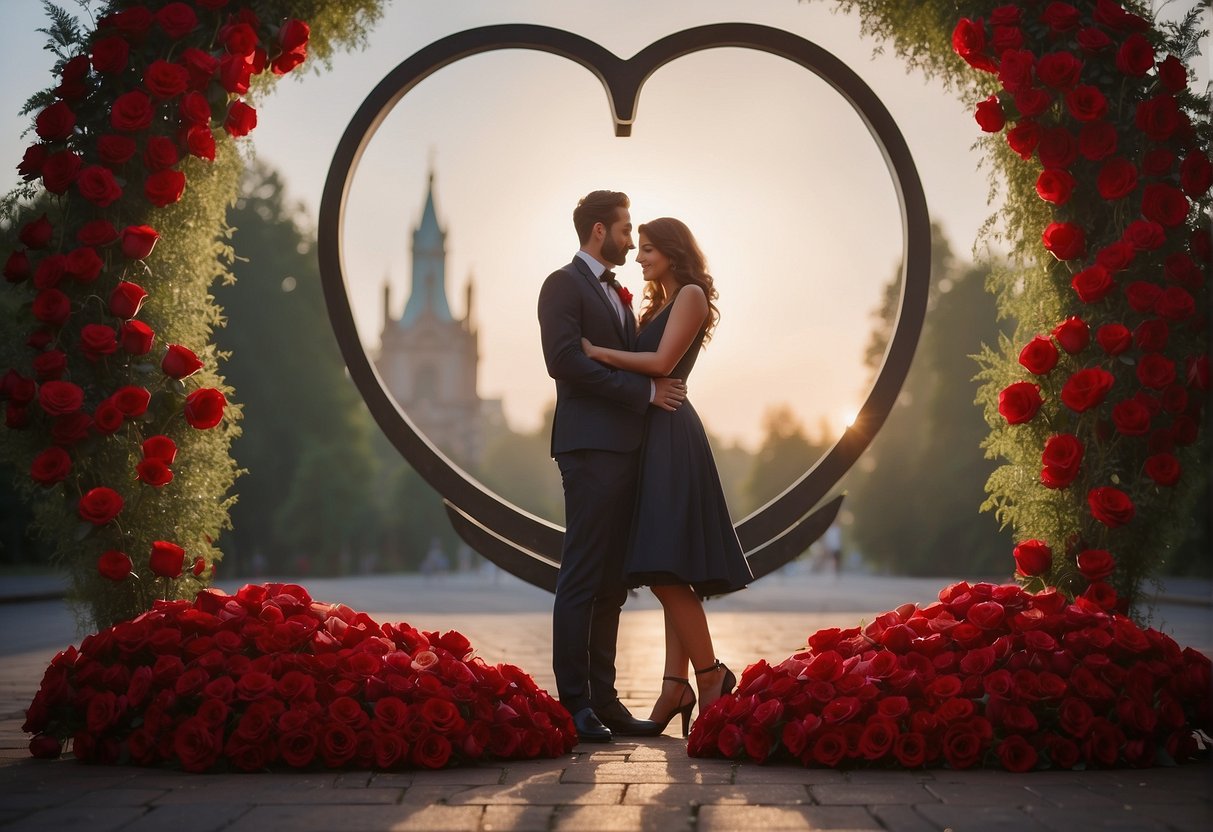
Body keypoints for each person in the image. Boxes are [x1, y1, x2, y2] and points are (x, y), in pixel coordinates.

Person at [582, 217, 752, 737]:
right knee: (669, 566)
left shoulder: (693, 296)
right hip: (651, 434)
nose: (640, 256)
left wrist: (596, 352)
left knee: (662, 568)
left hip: (673, 436)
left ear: (674, 252)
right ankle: (674, 685)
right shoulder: (658, 303)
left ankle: (709, 675)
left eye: (650, 249)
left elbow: (660, 361)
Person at [537, 191, 688, 743]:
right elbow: (564, 362)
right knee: (581, 574)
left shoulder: (618, 294)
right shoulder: (562, 284)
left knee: (611, 583)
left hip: (626, 452)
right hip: (590, 448)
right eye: (626, 230)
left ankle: (606, 700)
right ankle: (574, 702)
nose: (631, 240)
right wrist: (643, 392)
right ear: (599, 231)